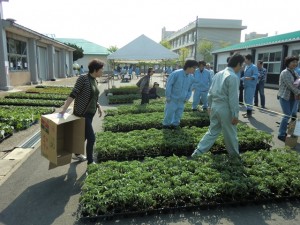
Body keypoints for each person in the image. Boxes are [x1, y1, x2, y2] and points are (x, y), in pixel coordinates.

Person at [191, 53, 245, 157]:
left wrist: (210, 106)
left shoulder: (218, 74)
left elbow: (210, 92)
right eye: (242, 65)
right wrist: (235, 114)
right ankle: (234, 157)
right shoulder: (233, 76)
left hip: (215, 107)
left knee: (212, 132)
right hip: (225, 108)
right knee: (230, 134)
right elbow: (233, 98)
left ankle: (198, 152)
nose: (242, 68)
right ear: (238, 64)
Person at [59, 59, 104, 165]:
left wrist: (99, 106)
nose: (102, 71)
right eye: (101, 69)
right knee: (91, 138)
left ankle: (77, 154)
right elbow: (73, 93)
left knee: (83, 135)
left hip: (91, 113)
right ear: (95, 70)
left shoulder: (95, 81)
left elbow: (94, 97)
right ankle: (90, 161)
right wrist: (64, 109)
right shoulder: (83, 78)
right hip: (82, 113)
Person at [162, 60, 198, 129]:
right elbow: (169, 85)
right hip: (172, 99)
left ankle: (175, 127)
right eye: (194, 68)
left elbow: (190, 89)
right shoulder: (176, 74)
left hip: (182, 100)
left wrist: (187, 98)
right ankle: (166, 127)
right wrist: (168, 97)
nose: (195, 70)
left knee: (178, 115)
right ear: (189, 67)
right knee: (169, 114)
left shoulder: (191, 77)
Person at [277, 56, 300, 142]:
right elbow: (290, 86)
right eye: (293, 62)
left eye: (296, 62)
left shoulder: (294, 72)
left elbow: (298, 81)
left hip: (293, 97)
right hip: (285, 97)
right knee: (286, 115)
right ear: (288, 63)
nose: (295, 63)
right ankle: (281, 134)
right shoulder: (285, 73)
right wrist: (298, 92)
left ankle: (287, 132)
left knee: (291, 115)